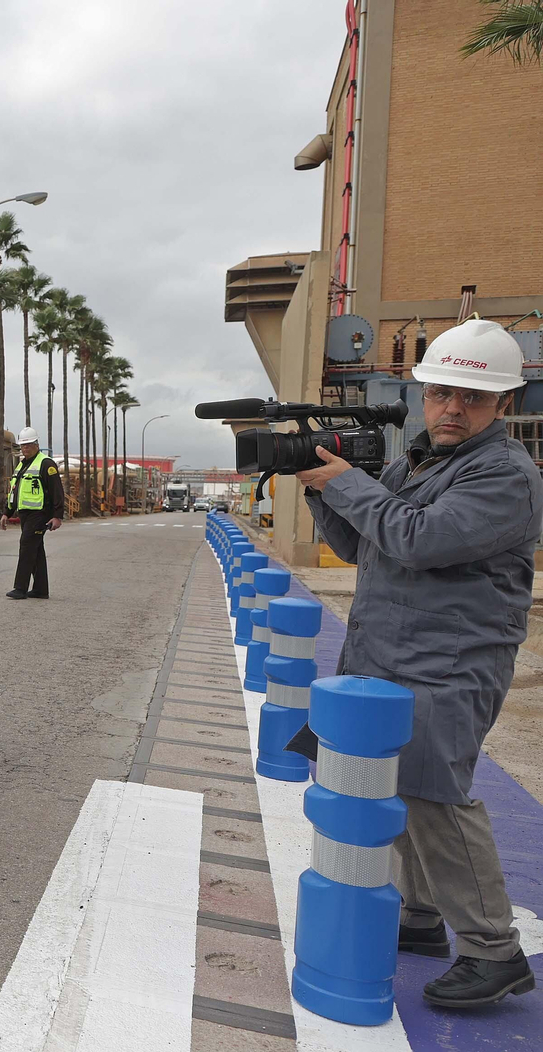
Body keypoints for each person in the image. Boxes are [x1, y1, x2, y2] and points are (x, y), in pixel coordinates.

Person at [296, 317, 540, 1009]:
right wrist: (319, 487)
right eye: (442, 394)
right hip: (391, 652)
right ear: (422, 395)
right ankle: (421, 915)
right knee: (395, 785)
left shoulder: (505, 475)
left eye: (473, 398)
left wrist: (349, 483)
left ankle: (495, 950)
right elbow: (365, 546)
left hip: (451, 661)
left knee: (436, 797)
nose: (453, 409)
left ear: (503, 405)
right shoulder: (418, 462)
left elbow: (417, 538)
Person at [2, 426, 62, 599]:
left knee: (27, 547)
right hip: (25, 515)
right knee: (36, 550)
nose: (25, 448)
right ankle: (41, 590)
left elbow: (57, 491)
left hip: (40, 514)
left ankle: (20, 588)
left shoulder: (46, 464)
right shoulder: (22, 465)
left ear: (36, 444)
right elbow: (15, 490)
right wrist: (7, 512)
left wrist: (57, 516)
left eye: (28, 444)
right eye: (23, 445)